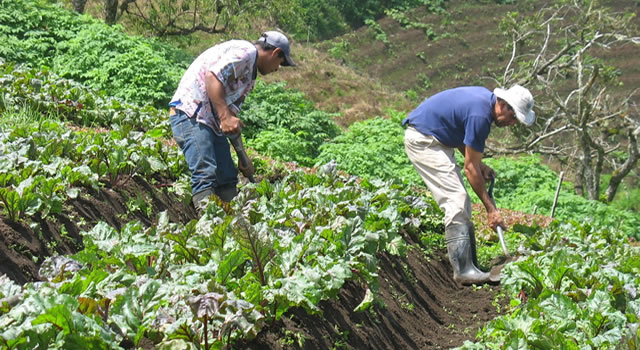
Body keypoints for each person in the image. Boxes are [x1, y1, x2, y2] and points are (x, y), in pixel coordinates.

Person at [403, 85, 535, 285]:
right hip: (423, 140)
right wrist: (490, 209)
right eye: (514, 116)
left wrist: (480, 165)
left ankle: (470, 264)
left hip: (436, 138)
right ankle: (463, 271)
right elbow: (469, 168)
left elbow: (458, 134)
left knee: (461, 199)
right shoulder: (480, 116)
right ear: (503, 104)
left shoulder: (483, 102)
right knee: (456, 198)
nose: (513, 123)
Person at [169, 31, 295, 211]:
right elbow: (212, 76)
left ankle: (232, 226)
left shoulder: (249, 80)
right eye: (280, 63)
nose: (278, 68)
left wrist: (243, 157)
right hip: (190, 114)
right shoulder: (246, 52)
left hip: (210, 122)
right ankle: (208, 226)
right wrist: (225, 117)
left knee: (227, 176)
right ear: (275, 53)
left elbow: (231, 121)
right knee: (205, 172)